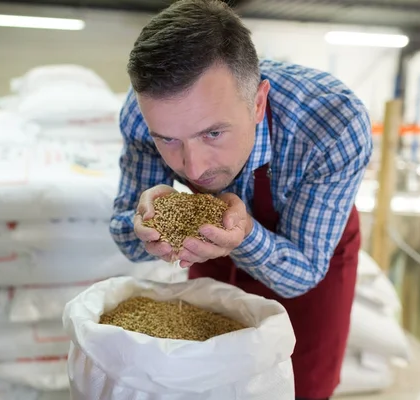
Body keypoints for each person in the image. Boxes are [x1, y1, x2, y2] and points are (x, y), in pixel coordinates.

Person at [109, 0, 373, 398]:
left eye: (213, 133)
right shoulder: (143, 115)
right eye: (169, 140)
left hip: (307, 255)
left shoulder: (334, 122)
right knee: (211, 377)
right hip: (215, 244)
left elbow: (302, 272)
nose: (194, 170)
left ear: (258, 103)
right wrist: (145, 223)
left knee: (302, 382)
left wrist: (247, 236)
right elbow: (126, 236)